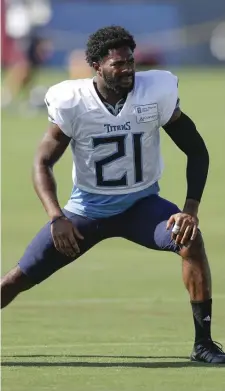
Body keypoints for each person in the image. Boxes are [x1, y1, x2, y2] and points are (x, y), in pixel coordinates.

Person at [1, 26, 224, 364]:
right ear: (95, 65)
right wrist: (56, 217)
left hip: (141, 205)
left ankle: (203, 343)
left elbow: (197, 150)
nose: (127, 70)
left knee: (190, 239)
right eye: (117, 64)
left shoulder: (154, 92)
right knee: (18, 278)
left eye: (130, 62)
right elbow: (42, 161)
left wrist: (190, 209)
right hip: (86, 211)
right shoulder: (73, 102)